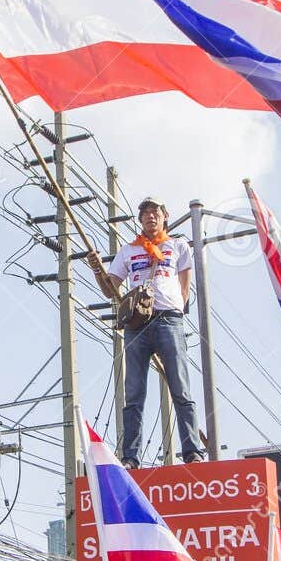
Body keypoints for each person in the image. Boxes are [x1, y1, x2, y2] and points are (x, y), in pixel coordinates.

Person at [85, 196, 204, 466]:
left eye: (155, 213)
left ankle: (192, 452)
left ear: (164, 217)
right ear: (140, 220)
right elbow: (110, 289)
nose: (151, 217)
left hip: (168, 320)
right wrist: (96, 269)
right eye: (145, 214)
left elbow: (185, 286)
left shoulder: (177, 246)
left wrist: (176, 307)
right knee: (134, 392)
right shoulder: (128, 251)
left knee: (180, 388)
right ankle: (131, 457)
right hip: (137, 325)